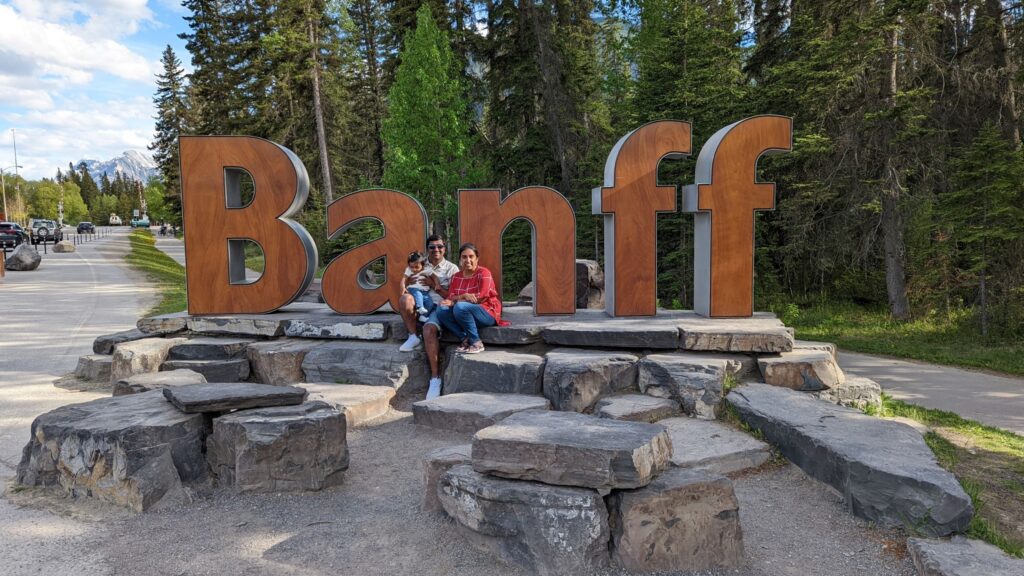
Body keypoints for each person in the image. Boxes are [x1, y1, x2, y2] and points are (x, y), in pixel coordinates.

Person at [397, 234, 459, 398]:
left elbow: (454, 296)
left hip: (439, 308)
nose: (436, 250)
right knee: (404, 298)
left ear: (445, 248)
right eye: (432, 247)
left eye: (440, 246)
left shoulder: (452, 269)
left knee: (428, 330)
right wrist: (407, 286)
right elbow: (406, 281)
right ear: (427, 249)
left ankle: (435, 379)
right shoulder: (418, 264)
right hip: (418, 306)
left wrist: (434, 286)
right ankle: (412, 335)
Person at [434, 243, 506, 356]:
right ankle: (465, 339)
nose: (468, 260)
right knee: (441, 309)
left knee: (460, 307)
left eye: (471, 256)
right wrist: (463, 296)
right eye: (464, 257)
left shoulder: (483, 273)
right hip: (463, 312)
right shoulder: (456, 276)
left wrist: (457, 300)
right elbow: (450, 298)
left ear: (477, 258)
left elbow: (481, 298)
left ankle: (476, 342)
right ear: (460, 260)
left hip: (487, 312)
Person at [402, 251, 437, 323]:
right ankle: (420, 307)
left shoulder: (426, 270)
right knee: (418, 295)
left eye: (417, 267)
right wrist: (403, 288)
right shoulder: (409, 270)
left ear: (423, 265)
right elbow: (403, 280)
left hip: (425, 292)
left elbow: (435, 277)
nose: (414, 269)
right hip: (414, 289)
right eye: (412, 267)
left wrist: (438, 285)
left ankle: (423, 316)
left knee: (430, 303)